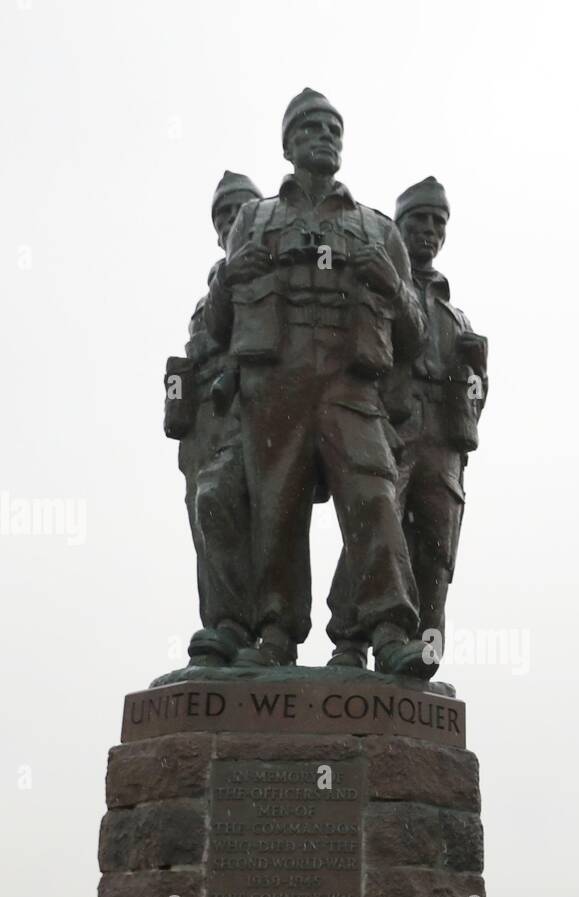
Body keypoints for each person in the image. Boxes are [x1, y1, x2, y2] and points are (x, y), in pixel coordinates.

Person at [204, 88, 432, 676]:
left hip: (349, 384)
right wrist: (230, 278)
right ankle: (275, 631)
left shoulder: (378, 229)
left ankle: (387, 630)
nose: (324, 137)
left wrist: (393, 285)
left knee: (373, 498)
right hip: (274, 384)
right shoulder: (253, 220)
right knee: (275, 510)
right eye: (310, 129)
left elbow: (414, 334)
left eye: (333, 129)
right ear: (288, 145)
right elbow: (218, 329)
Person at [326, 176, 488, 669]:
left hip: (443, 444)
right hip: (391, 428)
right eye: (419, 221)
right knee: (377, 526)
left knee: (437, 552)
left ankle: (427, 654)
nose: (429, 232)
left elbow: (479, 399)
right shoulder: (376, 286)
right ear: (398, 227)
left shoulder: (455, 316)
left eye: (438, 223)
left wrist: (477, 370)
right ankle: (351, 642)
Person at [165, 170, 262, 667]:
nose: (231, 221)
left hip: (249, 409)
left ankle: (246, 626)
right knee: (204, 524)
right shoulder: (209, 291)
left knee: (230, 509)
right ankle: (222, 628)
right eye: (222, 215)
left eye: (239, 210)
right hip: (202, 421)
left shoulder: (265, 274)